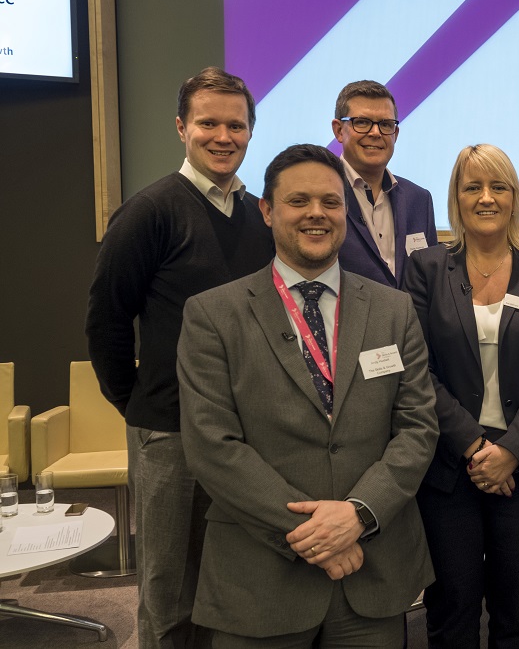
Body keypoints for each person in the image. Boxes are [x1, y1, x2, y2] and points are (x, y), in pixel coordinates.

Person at [177, 144, 439, 647]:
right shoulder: (213, 315)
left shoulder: (394, 309)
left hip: (373, 573)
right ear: (269, 211)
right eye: (298, 201)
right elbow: (213, 445)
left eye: (331, 202)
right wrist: (317, 534)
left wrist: (359, 513)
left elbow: (417, 427)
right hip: (259, 578)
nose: (316, 214)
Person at [86, 66, 274, 648]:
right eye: (208, 123)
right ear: (180, 128)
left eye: (236, 125)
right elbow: (107, 322)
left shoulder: (257, 215)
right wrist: (141, 405)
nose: (224, 136)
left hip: (246, 435)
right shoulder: (149, 211)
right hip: (169, 432)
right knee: (168, 594)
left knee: (231, 581)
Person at [403, 144, 519, 648]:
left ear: (515, 197)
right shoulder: (427, 269)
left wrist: (511, 453)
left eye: (498, 187)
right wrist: (477, 449)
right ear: (456, 197)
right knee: (451, 607)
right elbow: (418, 371)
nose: (486, 198)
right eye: (472, 186)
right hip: (449, 464)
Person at [331, 80, 437, 287]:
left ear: (395, 134)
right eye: (362, 122)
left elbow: (431, 281)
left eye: (386, 124)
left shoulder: (419, 200)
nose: (375, 133)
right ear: (338, 130)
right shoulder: (321, 196)